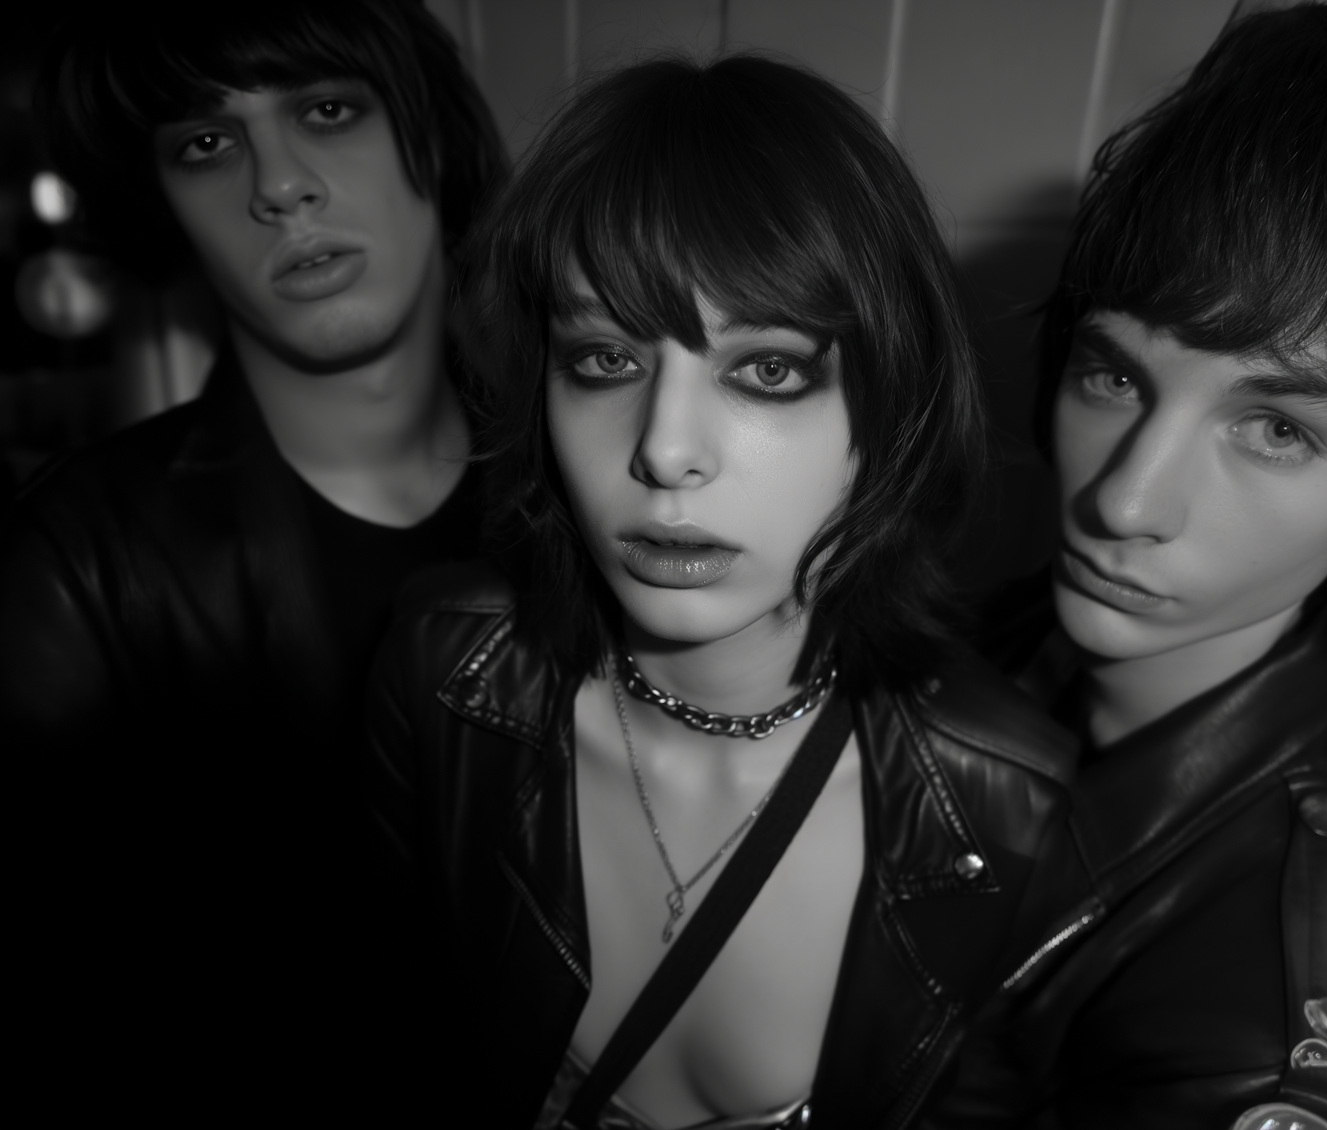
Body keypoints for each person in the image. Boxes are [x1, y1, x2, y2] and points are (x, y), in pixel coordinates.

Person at [366, 55, 1077, 1129]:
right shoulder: (442, 673)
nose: (665, 450)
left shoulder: (1012, 814)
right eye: (603, 360)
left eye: (767, 370)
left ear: (891, 408)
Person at [948, 4, 1327, 1129]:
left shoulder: (1270, 1040)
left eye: (1279, 429)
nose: (1123, 501)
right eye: (1114, 375)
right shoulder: (1002, 639)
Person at [2, 0, 505, 1112]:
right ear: (164, 207)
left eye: (326, 110)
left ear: (432, 133)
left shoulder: (601, 494)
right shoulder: (76, 566)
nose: (279, 186)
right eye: (204, 142)